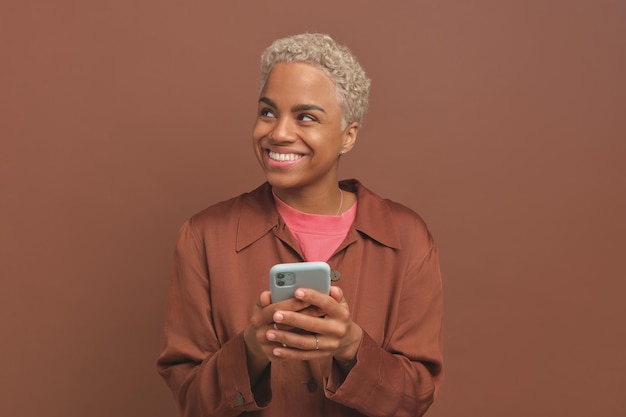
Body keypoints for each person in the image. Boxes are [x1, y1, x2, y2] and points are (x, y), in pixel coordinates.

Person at [157, 33, 444, 417]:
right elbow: (191, 401)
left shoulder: (407, 238)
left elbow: (416, 398)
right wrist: (252, 350)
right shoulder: (203, 237)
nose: (278, 133)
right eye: (267, 112)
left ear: (348, 136)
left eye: (305, 117)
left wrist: (352, 347)